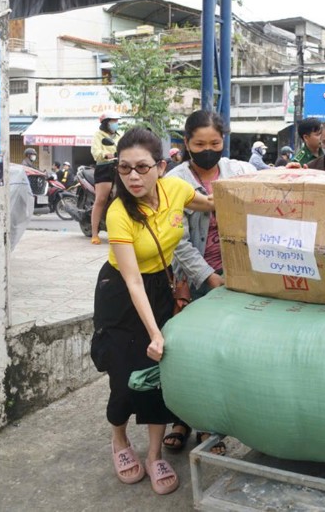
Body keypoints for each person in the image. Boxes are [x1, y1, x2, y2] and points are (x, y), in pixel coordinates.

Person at [93, 126, 214, 496]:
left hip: (160, 287)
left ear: (160, 166)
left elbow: (211, 204)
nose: (132, 176)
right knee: (125, 376)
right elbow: (131, 281)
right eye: (124, 168)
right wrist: (156, 332)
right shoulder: (118, 213)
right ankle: (119, 440)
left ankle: (155, 453)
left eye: (142, 167)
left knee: (158, 377)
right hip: (121, 294)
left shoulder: (175, 189)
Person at [163, 109, 257, 456]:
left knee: (219, 353)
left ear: (223, 141)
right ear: (186, 143)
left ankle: (211, 424)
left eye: (214, 143)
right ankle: (182, 420)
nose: (207, 149)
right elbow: (177, 241)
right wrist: (209, 277)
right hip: (193, 280)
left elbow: (269, 186)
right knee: (185, 352)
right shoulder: (174, 182)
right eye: (199, 143)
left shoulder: (239, 171)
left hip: (235, 278)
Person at [90, 113, 123, 245]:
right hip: (104, 168)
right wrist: (105, 154)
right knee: (101, 199)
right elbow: (95, 152)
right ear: (106, 123)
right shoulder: (99, 135)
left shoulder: (120, 136)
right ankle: (94, 233)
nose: (116, 123)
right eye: (113, 121)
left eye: (117, 121)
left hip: (119, 167)